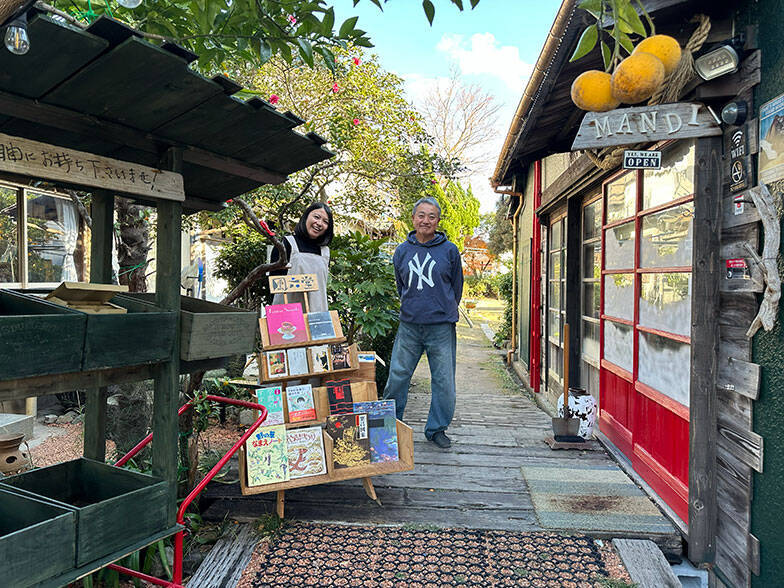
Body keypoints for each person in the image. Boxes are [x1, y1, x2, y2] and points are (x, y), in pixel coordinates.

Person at [383, 196, 463, 449]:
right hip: (409, 325)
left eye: (431, 216)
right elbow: (401, 285)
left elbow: (456, 287)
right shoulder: (402, 250)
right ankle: (390, 426)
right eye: (421, 215)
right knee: (397, 376)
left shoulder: (449, 250)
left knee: (443, 380)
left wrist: (441, 308)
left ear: (438, 221)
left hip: (441, 326)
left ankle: (436, 429)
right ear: (413, 218)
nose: (426, 220)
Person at [270, 202, 334, 313]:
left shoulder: (325, 252)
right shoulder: (287, 244)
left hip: (317, 316)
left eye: (325, 222)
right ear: (306, 217)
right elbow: (273, 284)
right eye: (316, 217)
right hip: (288, 316)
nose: (319, 223)